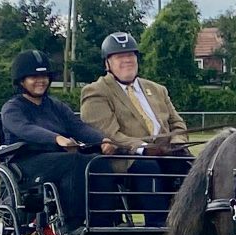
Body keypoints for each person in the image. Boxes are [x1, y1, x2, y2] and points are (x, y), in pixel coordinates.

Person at [1, 49, 118, 232]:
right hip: (25, 164)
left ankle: (104, 221)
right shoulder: (12, 108)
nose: (41, 81)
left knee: (98, 162)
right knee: (74, 162)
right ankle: (72, 224)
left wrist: (102, 140)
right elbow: (25, 129)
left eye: (44, 76)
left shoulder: (56, 106)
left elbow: (78, 127)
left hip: (59, 159)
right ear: (21, 81)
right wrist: (56, 139)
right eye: (34, 77)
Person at [80, 31, 190, 220]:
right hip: (127, 159)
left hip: (167, 154)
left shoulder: (157, 90)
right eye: (119, 57)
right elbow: (110, 134)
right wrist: (144, 148)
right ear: (107, 63)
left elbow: (177, 124)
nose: (127, 60)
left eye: (130, 55)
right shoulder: (96, 92)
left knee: (194, 166)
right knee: (148, 167)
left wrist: (176, 143)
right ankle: (157, 226)